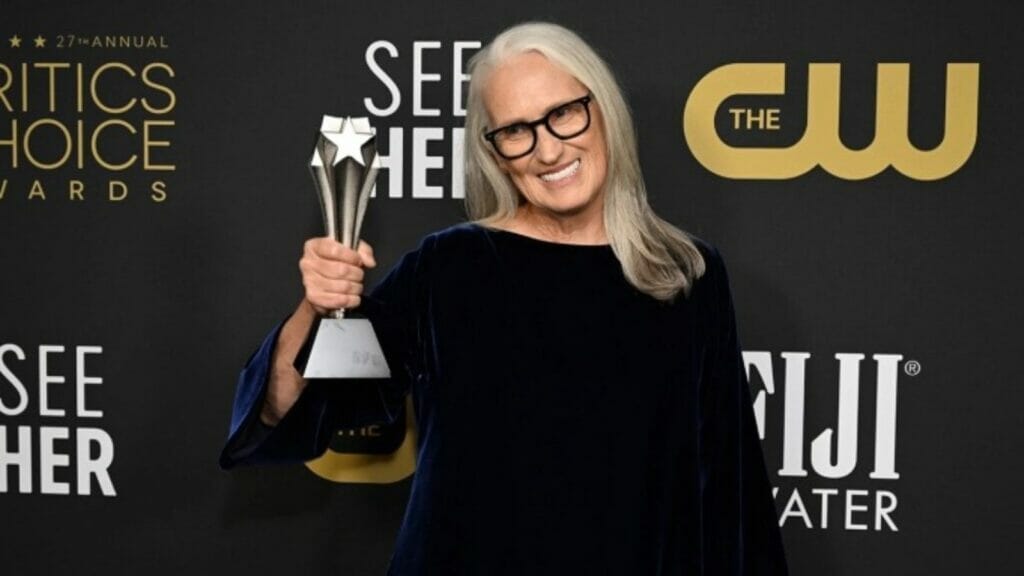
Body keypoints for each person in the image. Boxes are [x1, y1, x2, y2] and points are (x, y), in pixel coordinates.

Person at [221, 21, 788, 575]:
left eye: (564, 113)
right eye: (516, 131)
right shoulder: (450, 268)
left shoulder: (685, 272)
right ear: (494, 152)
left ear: (604, 110)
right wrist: (317, 308)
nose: (547, 150)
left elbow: (729, 487)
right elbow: (290, 411)